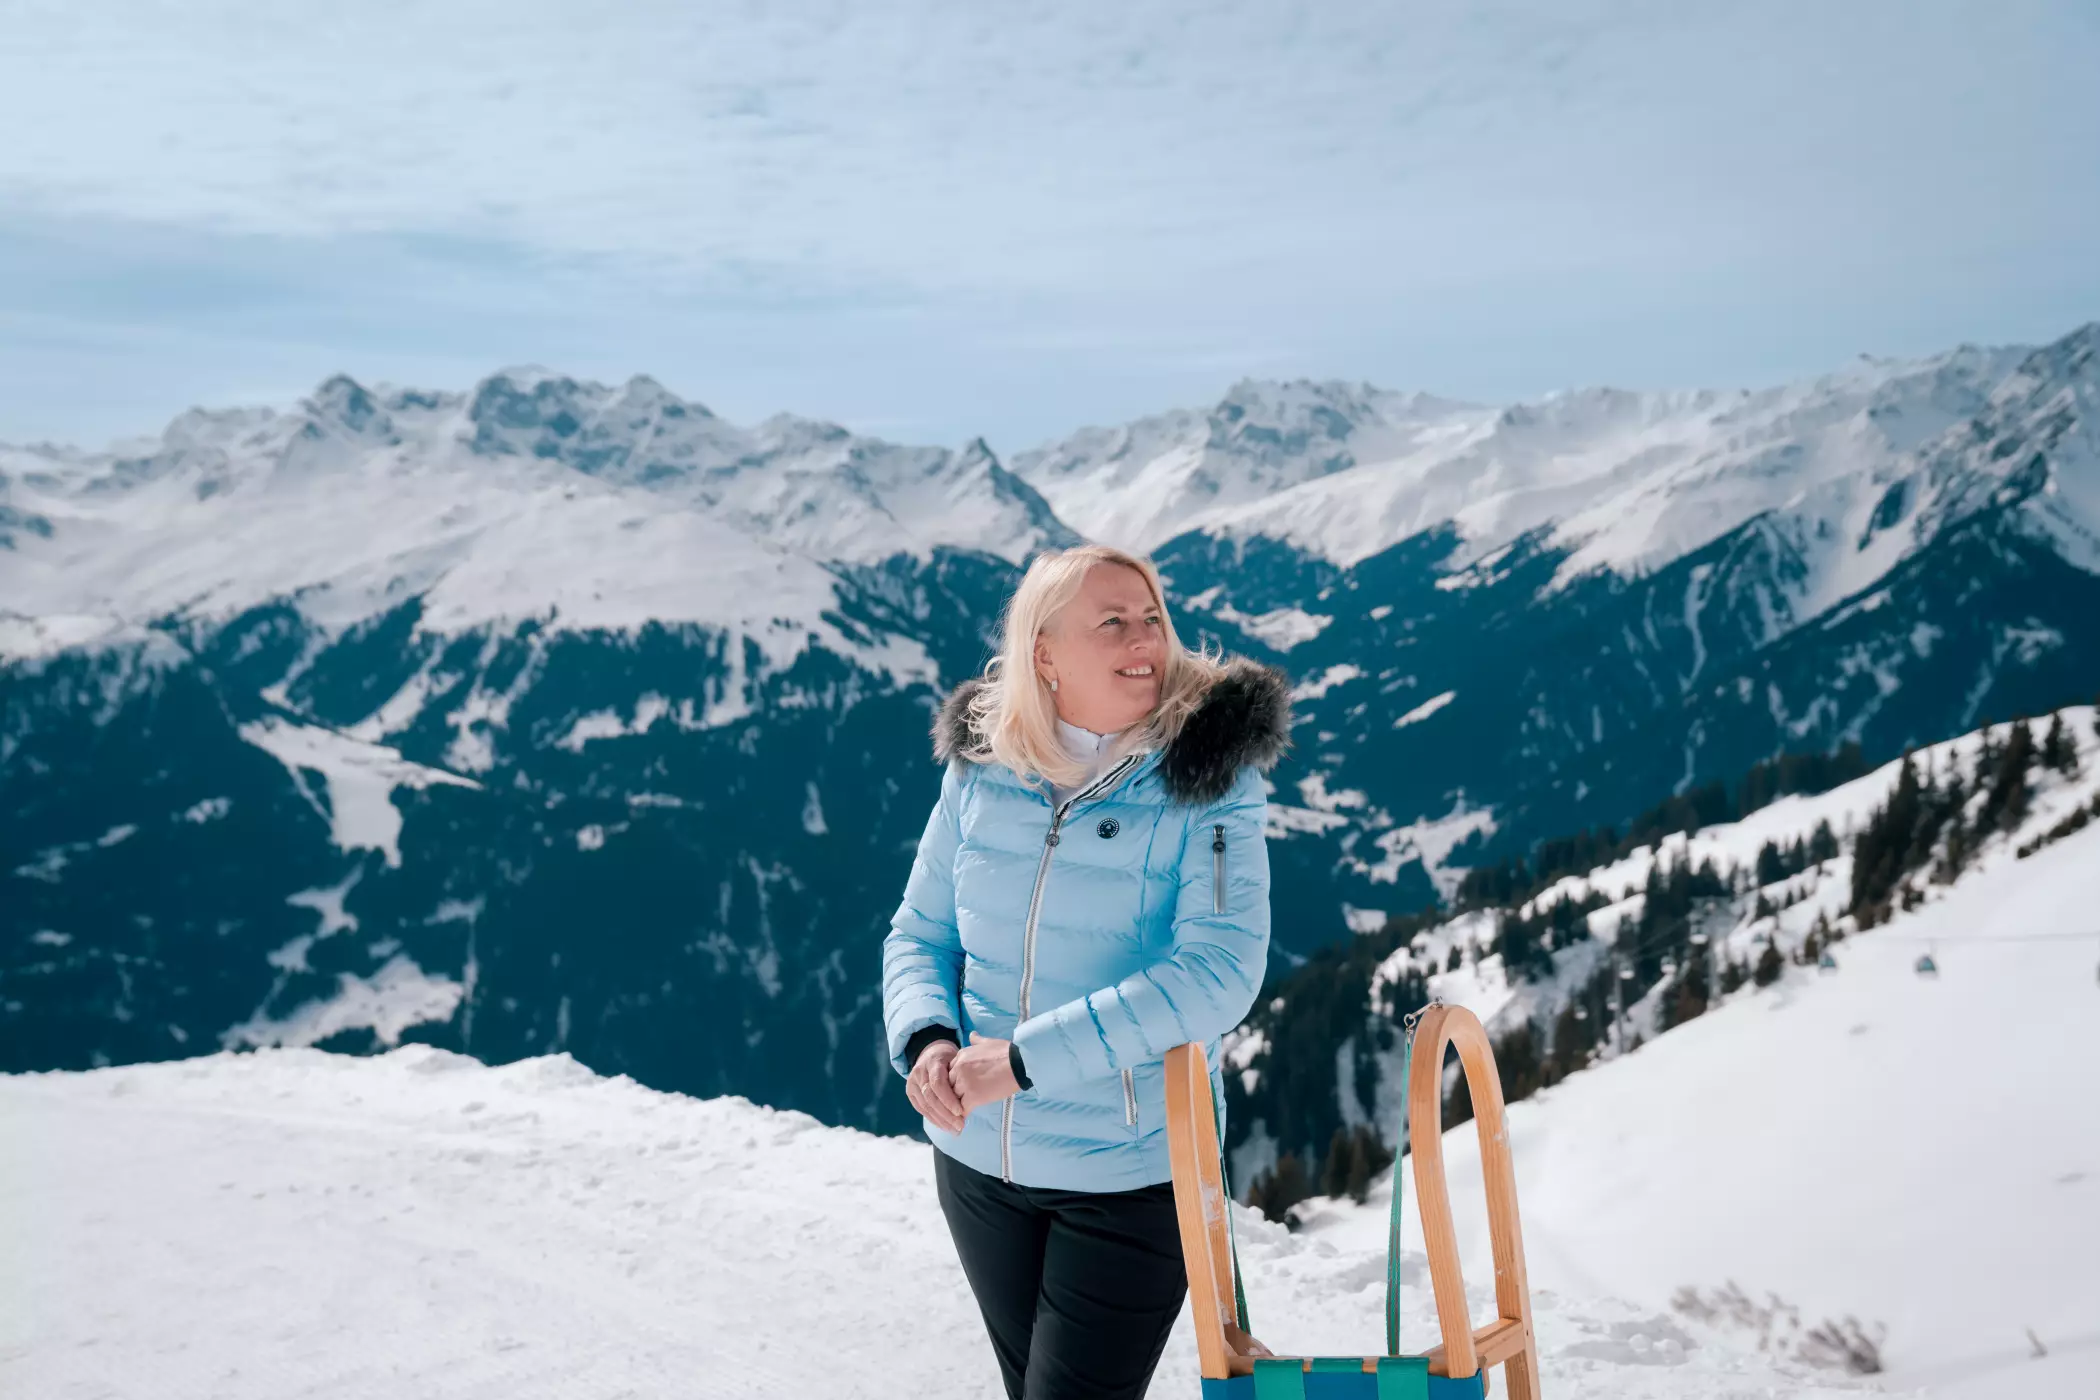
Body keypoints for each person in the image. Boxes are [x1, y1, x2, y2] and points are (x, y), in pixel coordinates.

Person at [882, 543, 1291, 1400]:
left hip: (1131, 1172)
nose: (1145, 639)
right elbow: (921, 932)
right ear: (1045, 653)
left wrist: (1022, 1061)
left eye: (1151, 618)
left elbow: (1218, 972)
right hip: (981, 1167)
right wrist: (925, 1038)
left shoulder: (1206, 778)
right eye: (1113, 622)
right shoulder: (983, 767)